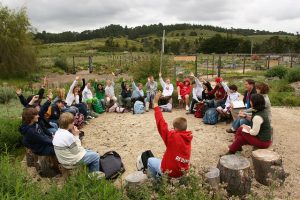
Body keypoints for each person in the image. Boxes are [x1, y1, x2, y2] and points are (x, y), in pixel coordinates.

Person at [147, 91, 193, 178]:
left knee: (150, 160)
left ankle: (154, 182)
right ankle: (160, 177)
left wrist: (156, 103)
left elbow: (161, 123)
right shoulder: (188, 138)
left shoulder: (173, 136)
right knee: (165, 157)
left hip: (170, 172)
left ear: (176, 129)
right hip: (182, 172)